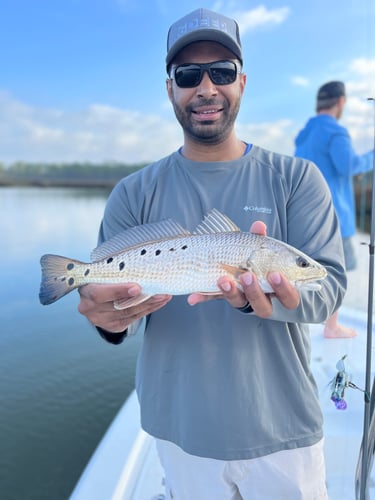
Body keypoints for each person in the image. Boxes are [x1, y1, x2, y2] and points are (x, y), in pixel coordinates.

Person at [78, 8, 346, 499]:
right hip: (180, 431)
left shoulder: (298, 179)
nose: (206, 88)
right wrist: (106, 318)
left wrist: (260, 298)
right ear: (170, 89)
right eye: (188, 75)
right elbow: (116, 310)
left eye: (221, 72)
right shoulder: (132, 193)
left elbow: (326, 288)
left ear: (242, 82)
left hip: (282, 428)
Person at [295, 81, 373, 339]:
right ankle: (331, 327)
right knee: (335, 272)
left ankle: (303, 324)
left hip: (304, 217)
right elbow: (348, 166)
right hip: (335, 218)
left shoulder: (304, 134)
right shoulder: (335, 131)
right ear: (340, 102)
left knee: (303, 273)